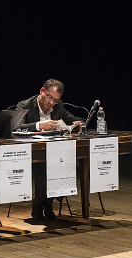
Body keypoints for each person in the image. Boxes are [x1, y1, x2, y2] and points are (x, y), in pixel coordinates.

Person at [16, 79, 82, 222]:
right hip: (32, 151)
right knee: (43, 170)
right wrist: (40, 125)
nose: (51, 103)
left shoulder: (59, 107)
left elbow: (71, 119)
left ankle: (49, 201)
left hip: (55, 150)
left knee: (70, 167)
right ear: (42, 91)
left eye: (56, 100)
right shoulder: (25, 105)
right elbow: (17, 127)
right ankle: (39, 204)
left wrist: (76, 123)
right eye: (50, 97)